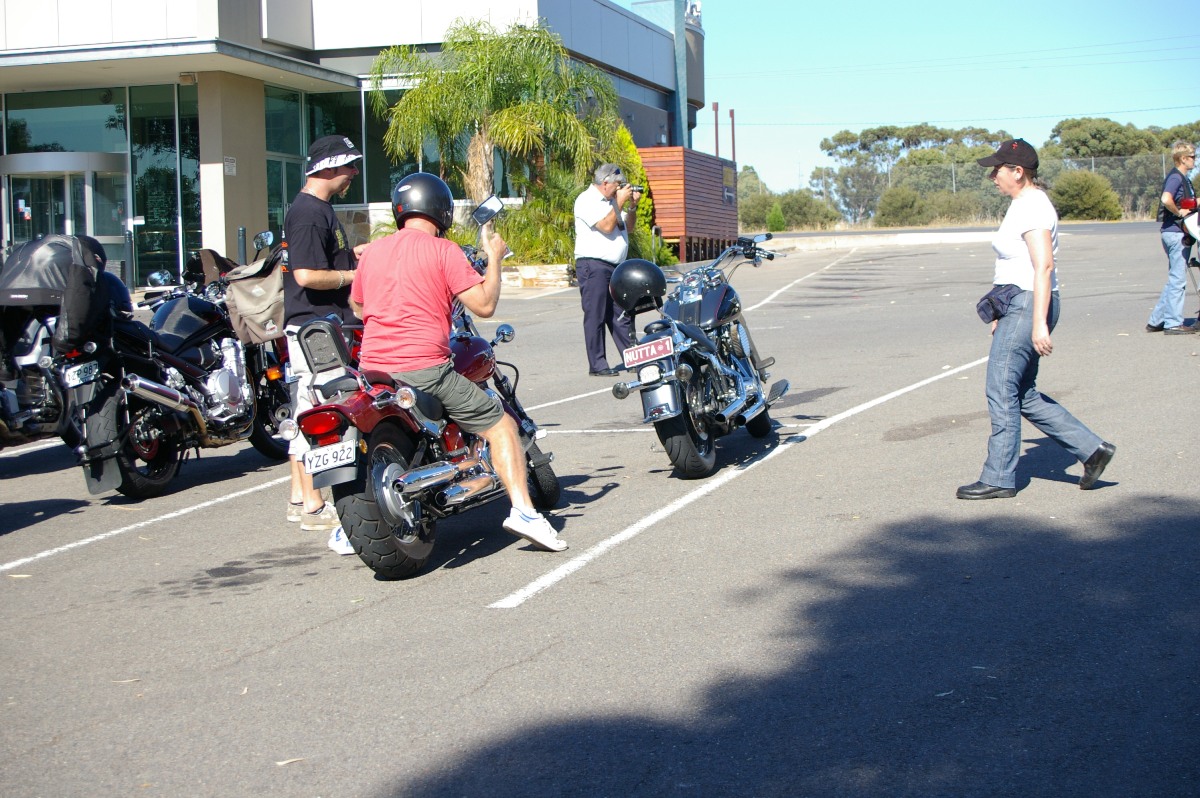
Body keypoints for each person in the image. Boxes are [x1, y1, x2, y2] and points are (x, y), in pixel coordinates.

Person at [349, 172, 568, 552]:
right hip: (424, 368)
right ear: (442, 209)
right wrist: (494, 258)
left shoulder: (374, 252)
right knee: (502, 425)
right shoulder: (443, 251)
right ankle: (525, 512)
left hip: (373, 370)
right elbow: (483, 305)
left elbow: (357, 306)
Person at [957, 139, 1115, 500]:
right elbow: (1014, 266)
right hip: (1021, 304)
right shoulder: (1023, 204)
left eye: (997, 170)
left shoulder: (1032, 206)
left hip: (1029, 304)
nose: (992, 176)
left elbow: (1043, 265)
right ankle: (1091, 450)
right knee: (1022, 393)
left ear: (1018, 172)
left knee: (1001, 389)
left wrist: (1038, 322)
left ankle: (999, 477)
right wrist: (1002, 313)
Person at [282, 134, 364, 554]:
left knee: (307, 405)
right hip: (315, 330)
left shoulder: (319, 210)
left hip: (319, 327)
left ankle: (302, 498)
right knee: (320, 410)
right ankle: (314, 504)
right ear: (328, 167)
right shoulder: (309, 214)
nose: (353, 173)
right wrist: (353, 276)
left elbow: (324, 261)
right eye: (348, 165)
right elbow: (306, 275)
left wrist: (359, 255)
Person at [573, 163, 641, 376]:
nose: (620, 188)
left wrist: (632, 206)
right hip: (594, 265)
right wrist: (619, 202)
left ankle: (633, 359)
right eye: (618, 184)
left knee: (622, 314)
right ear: (605, 183)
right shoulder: (586, 200)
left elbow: (629, 227)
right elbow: (606, 226)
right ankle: (598, 365)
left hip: (615, 266)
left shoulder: (612, 201)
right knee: (596, 314)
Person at [1145, 140, 1197, 334]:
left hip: (1173, 232)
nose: (1195, 160)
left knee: (1175, 277)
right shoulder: (1176, 177)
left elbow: (1186, 201)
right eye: (1192, 157)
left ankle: (1156, 320)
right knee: (1178, 280)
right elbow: (1166, 199)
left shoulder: (1183, 178)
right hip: (1176, 233)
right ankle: (1173, 323)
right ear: (1182, 158)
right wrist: (1179, 212)